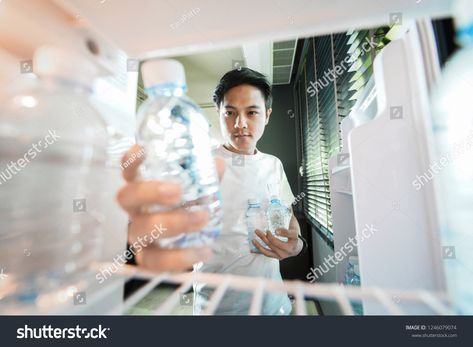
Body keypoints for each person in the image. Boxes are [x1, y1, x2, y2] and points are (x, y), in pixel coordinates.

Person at [116, 67, 304, 315]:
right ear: (219, 113)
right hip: (217, 307)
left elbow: (290, 225)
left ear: (267, 115)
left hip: (272, 304)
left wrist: (296, 246)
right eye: (230, 113)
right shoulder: (200, 164)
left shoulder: (274, 164)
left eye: (252, 112)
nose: (240, 124)